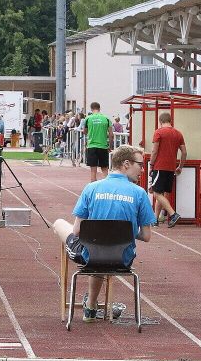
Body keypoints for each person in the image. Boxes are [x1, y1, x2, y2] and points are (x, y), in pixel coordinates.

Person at [53, 145, 156, 322]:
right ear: (126, 164)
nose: (143, 169)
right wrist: (127, 231)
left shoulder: (91, 188)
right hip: (123, 258)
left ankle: (90, 307)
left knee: (60, 223)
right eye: (140, 164)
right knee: (103, 245)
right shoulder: (139, 193)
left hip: (90, 256)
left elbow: (77, 230)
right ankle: (91, 306)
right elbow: (146, 236)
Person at [149, 112, 186, 228]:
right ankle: (155, 219)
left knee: (156, 192)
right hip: (171, 168)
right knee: (163, 193)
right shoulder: (178, 134)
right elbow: (184, 152)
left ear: (160, 121)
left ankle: (173, 214)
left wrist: (151, 164)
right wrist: (180, 166)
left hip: (159, 166)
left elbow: (155, 151)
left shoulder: (158, 132)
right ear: (171, 121)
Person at [84, 102, 113, 181]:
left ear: (91, 109)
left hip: (92, 146)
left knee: (93, 171)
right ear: (99, 108)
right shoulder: (106, 118)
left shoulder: (88, 118)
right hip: (103, 146)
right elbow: (111, 134)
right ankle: (106, 188)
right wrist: (110, 146)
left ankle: (93, 189)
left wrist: (91, 133)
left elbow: (85, 131)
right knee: (105, 170)